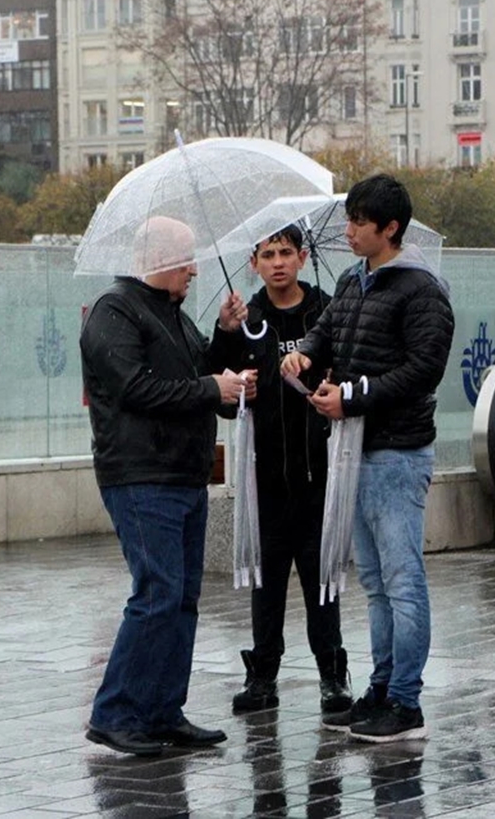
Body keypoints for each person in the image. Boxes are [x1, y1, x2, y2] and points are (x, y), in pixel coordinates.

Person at [280, 174, 454, 743]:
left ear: (391, 229)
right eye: (349, 219)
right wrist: (304, 358)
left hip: (397, 453)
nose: (350, 230)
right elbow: (325, 334)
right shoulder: (355, 283)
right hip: (354, 450)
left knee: (404, 580)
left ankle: (406, 700)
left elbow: (424, 369)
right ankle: (381, 686)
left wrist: (352, 396)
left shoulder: (421, 290)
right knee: (376, 582)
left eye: (360, 222)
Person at [80, 215, 250, 758]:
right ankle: (115, 713)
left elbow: (198, 373)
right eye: (187, 260)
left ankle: (161, 710)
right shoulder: (115, 312)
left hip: (183, 473)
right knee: (157, 593)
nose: (195, 271)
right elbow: (136, 389)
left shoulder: (172, 315)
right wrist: (210, 386)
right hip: (140, 474)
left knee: (181, 598)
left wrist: (223, 336)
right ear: (159, 261)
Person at [209, 224, 352, 716]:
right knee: (266, 587)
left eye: (286, 252)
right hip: (265, 479)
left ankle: (333, 677)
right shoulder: (247, 319)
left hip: (319, 475)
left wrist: (336, 382)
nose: (277, 262)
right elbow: (220, 392)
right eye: (267, 254)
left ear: (303, 257)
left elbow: (350, 371)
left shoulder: (327, 311)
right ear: (254, 262)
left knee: (322, 584)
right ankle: (262, 677)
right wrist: (237, 375)